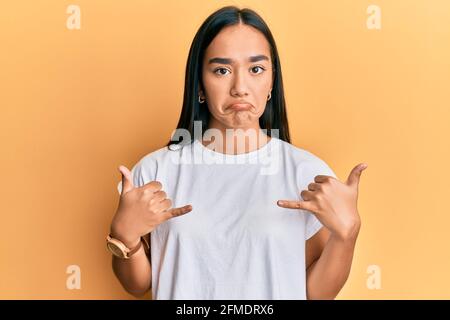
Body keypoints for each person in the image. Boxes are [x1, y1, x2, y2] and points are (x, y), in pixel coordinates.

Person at [107, 6, 367, 300]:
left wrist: (347, 234)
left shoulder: (306, 173)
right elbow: (138, 284)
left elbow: (315, 293)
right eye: (222, 70)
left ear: (271, 83)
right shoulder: (155, 171)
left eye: (256, 69)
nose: (240, 87)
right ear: (200, 85)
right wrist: (124, 235)